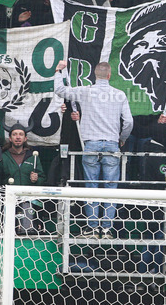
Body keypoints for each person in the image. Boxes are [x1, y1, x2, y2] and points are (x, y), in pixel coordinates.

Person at [54, 61, 133, 238]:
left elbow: (60, 91)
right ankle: (106, 229)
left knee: (91, 186)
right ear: (109, 75)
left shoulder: (85, 91)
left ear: (95, 75)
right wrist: (122, 139)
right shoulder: (119, 95)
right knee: (110, 188)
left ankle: (91, 228)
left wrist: (58, 72)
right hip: (112, 144)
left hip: (90, 144)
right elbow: (128, 122)